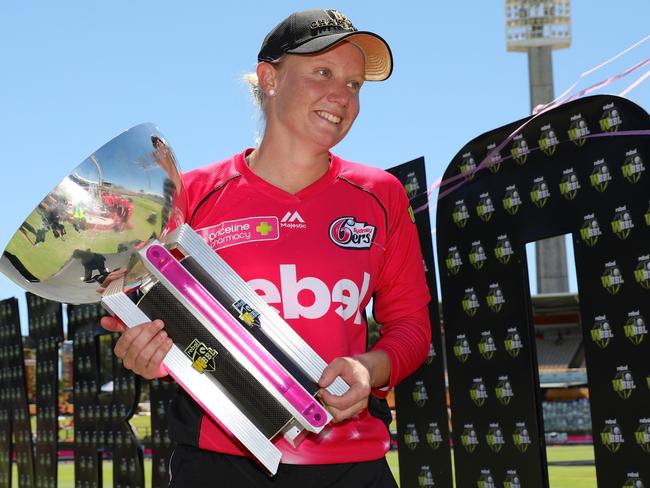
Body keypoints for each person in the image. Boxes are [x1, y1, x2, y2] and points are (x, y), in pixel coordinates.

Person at [101, 8, 431, 487]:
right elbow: (146, 315)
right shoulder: (190, 194)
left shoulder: (381, 195)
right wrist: (145, 351)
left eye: (356, 84)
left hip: (351, 466)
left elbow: (411, 328)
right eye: (323, 73)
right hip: (218, 464)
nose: (342, 96)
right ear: (269, 79)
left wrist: (367, 368)